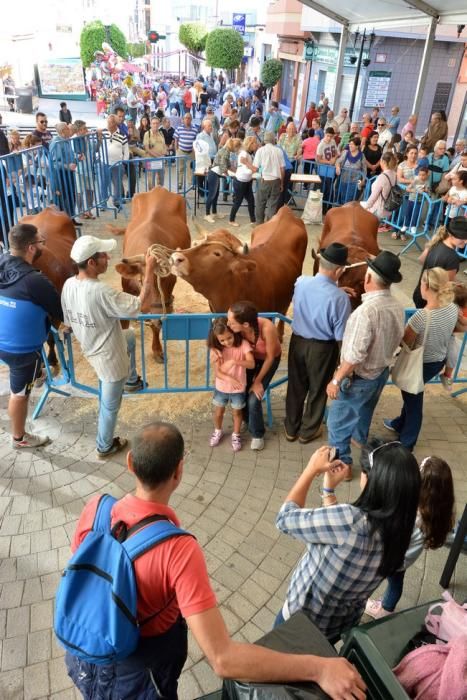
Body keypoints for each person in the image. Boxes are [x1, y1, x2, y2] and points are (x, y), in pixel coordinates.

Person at [65, 421, 366, 700]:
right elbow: (222, 659)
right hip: (139, 676)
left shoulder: (97, 508)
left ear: (130, 462)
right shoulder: (178, 550)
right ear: (179, 472)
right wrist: (319, 668)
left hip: (82, 652)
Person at [276, 442, 421, 641]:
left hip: (298, 623)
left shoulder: (349, 520)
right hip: (337, 628)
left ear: (370, 479)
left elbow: (284, 519)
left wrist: (310, 470)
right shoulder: (403, 533)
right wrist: (328, 491)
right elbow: (344, 541)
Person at [61, 236, 156, 459]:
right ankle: (104, 446)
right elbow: (142, 305)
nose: (108, 258)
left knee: (130, 336)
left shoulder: (68, 284)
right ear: (91, 263)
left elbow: (69, 320)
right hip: (110, 360)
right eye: (104, 255)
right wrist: (149, 269)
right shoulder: (102, 291)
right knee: (109, 406)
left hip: (90, 345)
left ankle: (132, 381)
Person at [326, 251, 405, 474]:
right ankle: (360, 441)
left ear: (368, 279)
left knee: (337, 423)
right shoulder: (397, 306)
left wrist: (335, 380)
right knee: (365, 412)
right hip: (381, 373)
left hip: (359, 378)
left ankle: (343, 465)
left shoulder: (365, 312)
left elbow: (353, 356)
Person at [366, 452, 455, 618]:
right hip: (405, 561)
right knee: (396, 584)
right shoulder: (441, 511)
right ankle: (386, 607)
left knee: (382, 582)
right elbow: (450, 535)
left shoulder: (413, 515)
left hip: (392, 558)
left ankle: (383, 610)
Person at [0, 224, 63, 448]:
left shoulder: (1, 262)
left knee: (33, 371)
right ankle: (20, 438)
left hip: (2, 339)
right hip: (21, 352)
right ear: (30, 248)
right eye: (41, 242)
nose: (42, 246)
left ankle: (38, 373)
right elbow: (60, 312)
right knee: (19, 394)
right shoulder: (36, 281)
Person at [383, 268, 458, 450]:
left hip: (419, 364)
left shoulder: (421, 316)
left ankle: (407, 442)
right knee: (411, 393)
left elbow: (404, 341)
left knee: (414, 400)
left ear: (426, 286)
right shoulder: (452, 308)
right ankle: (400, 423)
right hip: (438, 360)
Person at [285, 243, 352, 444]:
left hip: (297, 342)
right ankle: (308, 431)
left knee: (296, 387)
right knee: (317, 389)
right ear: (339, 270)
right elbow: (341, 335)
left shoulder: (301, 282)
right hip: (323, 348)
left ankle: (291, 428)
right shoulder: (341, 299)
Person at [227, 301, 282, 451]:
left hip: (268, 360)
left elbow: (270, 357)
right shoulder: (237, 328)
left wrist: (257, 381)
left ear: (245, 324)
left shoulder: (267, 328)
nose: (228, 324)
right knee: (241, 390)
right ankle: (248, 420)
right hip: (250, 359)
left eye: (231, 322)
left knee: (253, 398)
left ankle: (258, 434)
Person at [208, 317, 255, 452]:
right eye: (222, 340)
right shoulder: (217, 349)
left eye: (229, 338)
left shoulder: (244, 345)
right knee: (218, 412)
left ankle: (236, 434)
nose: (226, 342)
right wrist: (230, 379)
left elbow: (251, 364)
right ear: (217, 339)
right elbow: (218, 373)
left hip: (238, 389)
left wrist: (235, 361)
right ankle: (218, 431)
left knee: (237, 412)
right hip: (221, 387)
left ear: (234, 333)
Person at [412, 216, 467, 308]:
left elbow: (421, 260)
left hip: (420, 293)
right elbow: (447, 285)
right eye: (463, 238)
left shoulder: (436, 242)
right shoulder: (452, 257)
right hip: (432, 301)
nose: (466, 241)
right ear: (451, 235)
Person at [204, 137, 241, 224]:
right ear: (233, 146)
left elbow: (228, 165)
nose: (236, 150)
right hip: (213, 174)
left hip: (215, 174)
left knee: (216, 195)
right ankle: (207, 214)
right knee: (212, 195)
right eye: (236, 148)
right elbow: (223, 166)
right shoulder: (225, 152)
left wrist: (237, 171)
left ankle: (214, 212)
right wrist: (228, 175)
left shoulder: (225, 150)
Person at [253, 132, 285, 225]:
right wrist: (282, 183)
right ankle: (270, 225)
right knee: (273, 204)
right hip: (276, 180)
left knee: (260, 203)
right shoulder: (279, 151)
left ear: (265, 141)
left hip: (264, 180)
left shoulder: (260, 150)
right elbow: (282, 169)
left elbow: (255, 168)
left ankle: (259, 224)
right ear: (273, 140)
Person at [440, 282, 467, 391]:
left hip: (449, 336)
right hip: (439, 333)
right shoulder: (452, 307)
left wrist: (462, 320)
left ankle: (446, 376)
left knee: (453, 356)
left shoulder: (459, 309)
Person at [229, 136, 258, 226]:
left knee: (251, 201)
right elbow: (247, 170)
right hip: (241, 182)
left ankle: (253, 220)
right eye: (254, 143)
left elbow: (252, 169)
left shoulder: (248, 153)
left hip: (247, 181)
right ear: (250, 144)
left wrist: (252, 168)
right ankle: (231, 220)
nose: (256, 144)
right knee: (238, 201)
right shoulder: (243, 154)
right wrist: (253, 169)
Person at [360, 152, 398, 220]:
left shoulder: (382, 177)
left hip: (377, 209)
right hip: (388, 209)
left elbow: (374, 195)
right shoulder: (394, 174)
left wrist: (366, 206)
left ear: (383, 162)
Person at [398, 166, 431, 238]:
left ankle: (413, 225)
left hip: (419, 201)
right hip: (411, 199)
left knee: (416, 213)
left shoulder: (427, 182)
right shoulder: (416, 180)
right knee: (408, 213)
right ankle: (405, 225)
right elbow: (408, 188)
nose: (421, 176)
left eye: (423, 175)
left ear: (427, 174)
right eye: (420, 175)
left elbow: (428, 191)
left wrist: (425, 190)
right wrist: (413, 190)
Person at [335, 136, 366, 204]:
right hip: (344, 179)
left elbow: (364, 169)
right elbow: (338, 161)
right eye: (349, 144)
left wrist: (363, 181)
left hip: (355, 181)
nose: (350, 146)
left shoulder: (362, 156)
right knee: (343, 198)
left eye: (352, 144)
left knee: (350, 199)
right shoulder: (346, 153)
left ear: (357, 146)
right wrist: (338, 167)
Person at [174, 113, 198, 191]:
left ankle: (191, 184)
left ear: (191, 119)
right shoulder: (179, 128)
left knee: (190, 168)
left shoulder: (195, 129)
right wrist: (176, 150)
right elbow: (176, 139)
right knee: (180, 168)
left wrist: (195, 152)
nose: (187, 119)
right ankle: (180, 184)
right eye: (186, 118)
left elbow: (196, 141)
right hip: (181, 151)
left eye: (189, 118)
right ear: (183, 119)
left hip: (191, 152)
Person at [143, 117, 167, 187]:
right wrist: (158, 156)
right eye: (153, 123)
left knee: (161, 179)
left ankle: (159, 194)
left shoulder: (161, 133)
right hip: (150, 160)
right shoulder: (147, 134)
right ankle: (151, 196)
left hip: (160, 160)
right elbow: (147, 148)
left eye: (157, 123)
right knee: (151, 180)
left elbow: (164, 145)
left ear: (159, 124)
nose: (155, 125)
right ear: (150, 124)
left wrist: (165, 151)